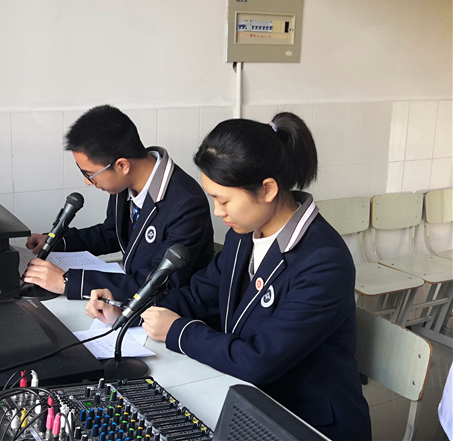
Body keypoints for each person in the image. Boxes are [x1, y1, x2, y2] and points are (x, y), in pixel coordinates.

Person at [86, 113, 372, 441]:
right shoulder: (244, 234)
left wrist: (177, 331)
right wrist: (128, 312)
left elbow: (259, 359)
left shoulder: (322, 261)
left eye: (223, 200)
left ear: (267, 189)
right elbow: (198, 296)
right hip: (247, 398)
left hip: (305, 421)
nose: (218, 211)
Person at [23, 105, 215, 301]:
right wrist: (56, 241)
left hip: (171, 308)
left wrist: (69, 282)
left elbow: (159, 281)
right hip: (133, 299)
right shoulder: (126, 183)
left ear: (122, 165)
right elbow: (112, 233)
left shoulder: (186, 203)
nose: (87, 182)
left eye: (90, 174)